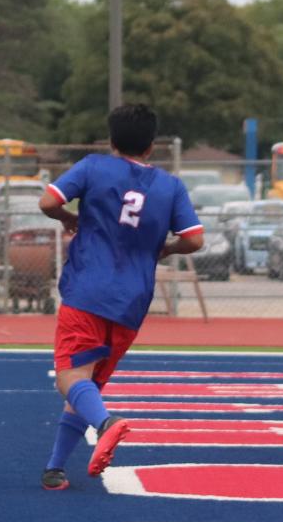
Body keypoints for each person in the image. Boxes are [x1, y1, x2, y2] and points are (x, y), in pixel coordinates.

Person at [35, 103, 204, 490]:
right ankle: (55, 468)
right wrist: (167, 248)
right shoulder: (170, 185)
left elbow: (48, 201)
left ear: (112, 140)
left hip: (87, 290)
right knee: (87, 384)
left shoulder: (94, 166)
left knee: (70, 378)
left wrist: (68, 219)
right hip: (132, 301)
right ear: (151, 147)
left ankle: (107, 423)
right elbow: (194, 238)